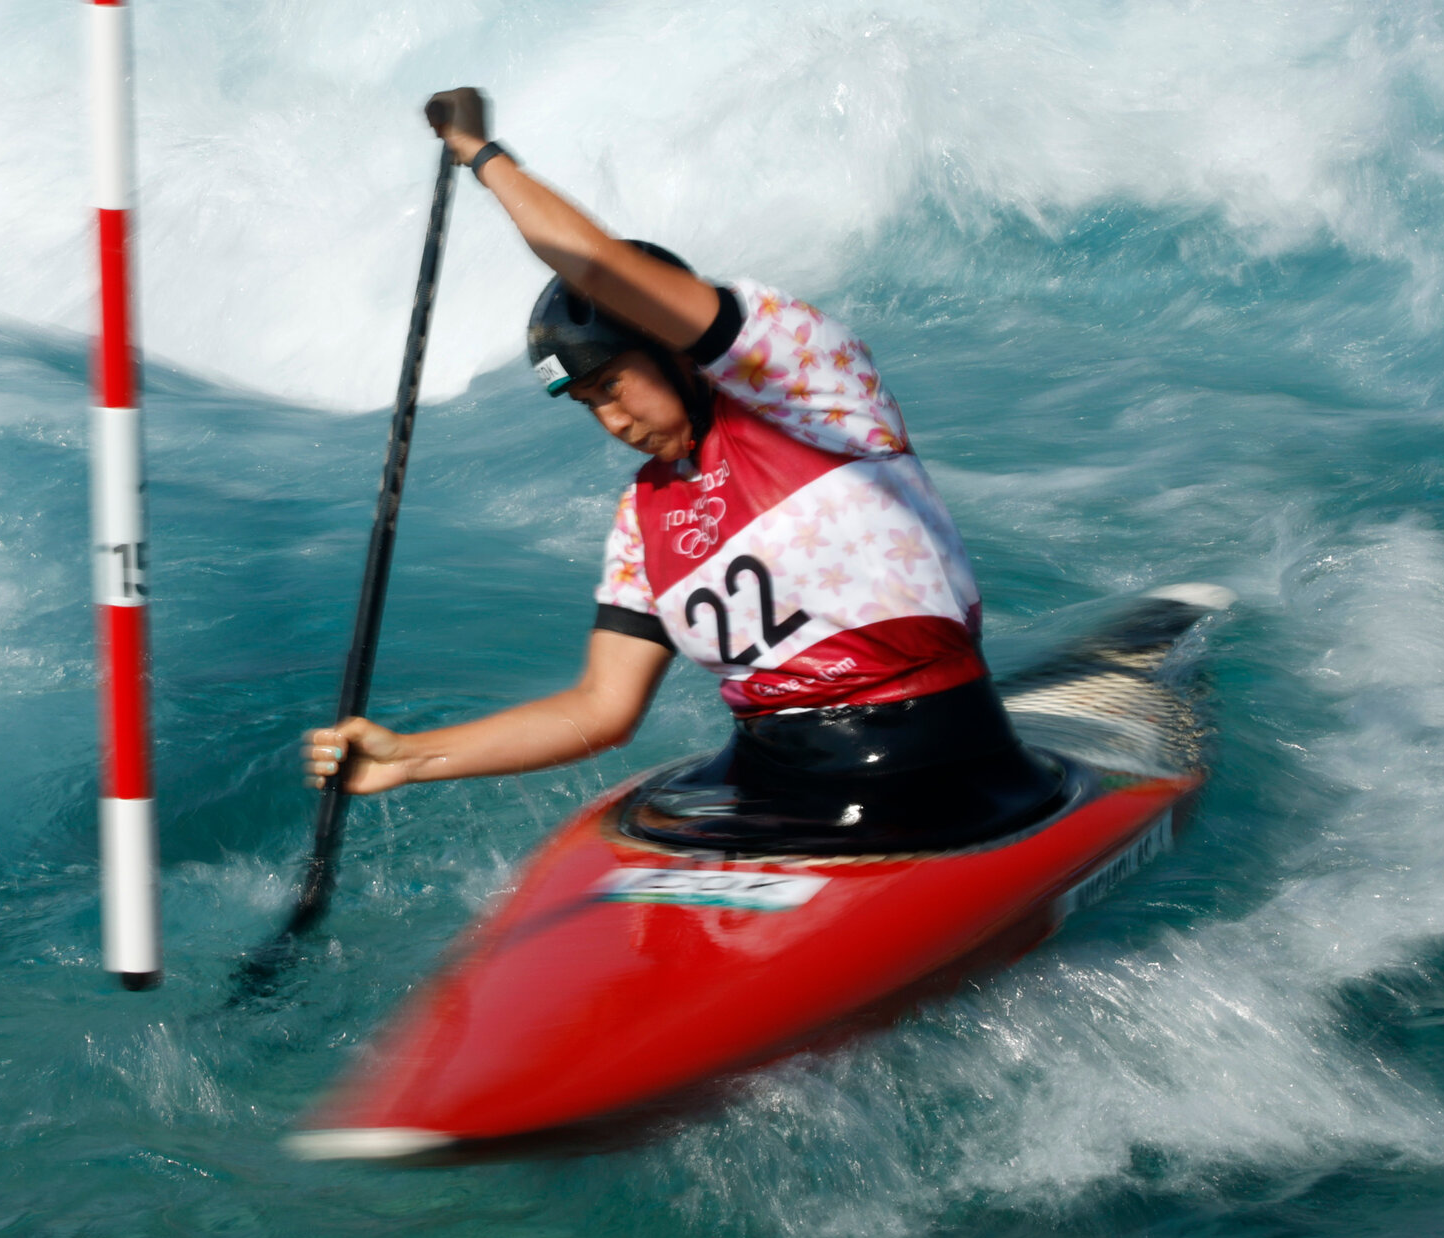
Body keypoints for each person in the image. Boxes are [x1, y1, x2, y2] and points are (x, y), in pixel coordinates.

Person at [302, 89, 1062, 854]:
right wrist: (409, 757)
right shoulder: (646, 513)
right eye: (588, 403)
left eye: (614, 384)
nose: (611, 420)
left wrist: (478, 154)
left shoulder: (806, 384)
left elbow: (599, 265)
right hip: (767, 773)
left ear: (673, 349)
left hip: (931, 759)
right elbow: (602, 706)